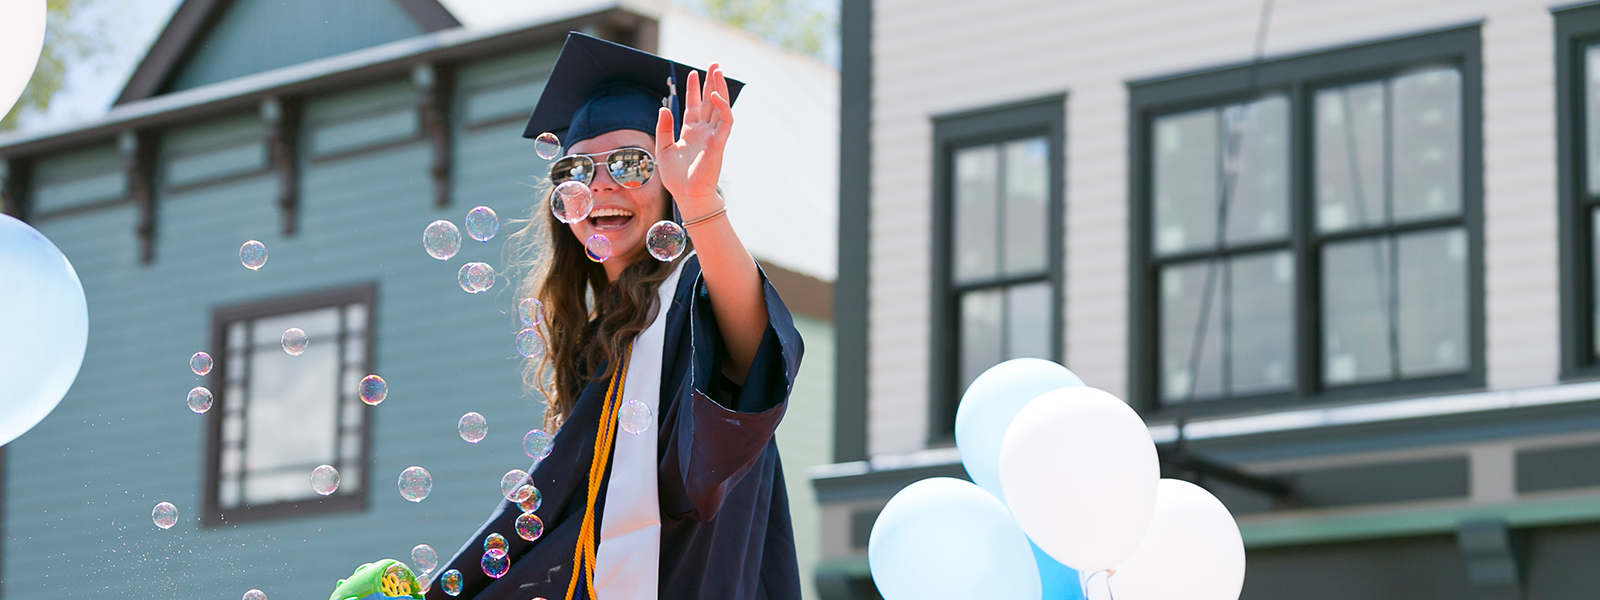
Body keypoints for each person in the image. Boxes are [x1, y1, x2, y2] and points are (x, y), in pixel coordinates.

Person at [422, 33, 804, 600]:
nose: (600, 183)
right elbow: (564, 542)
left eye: (630, 163)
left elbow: (759, 356)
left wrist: (699, 201)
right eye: (576, 169)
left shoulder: (692, 299)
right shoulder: (597, 349)